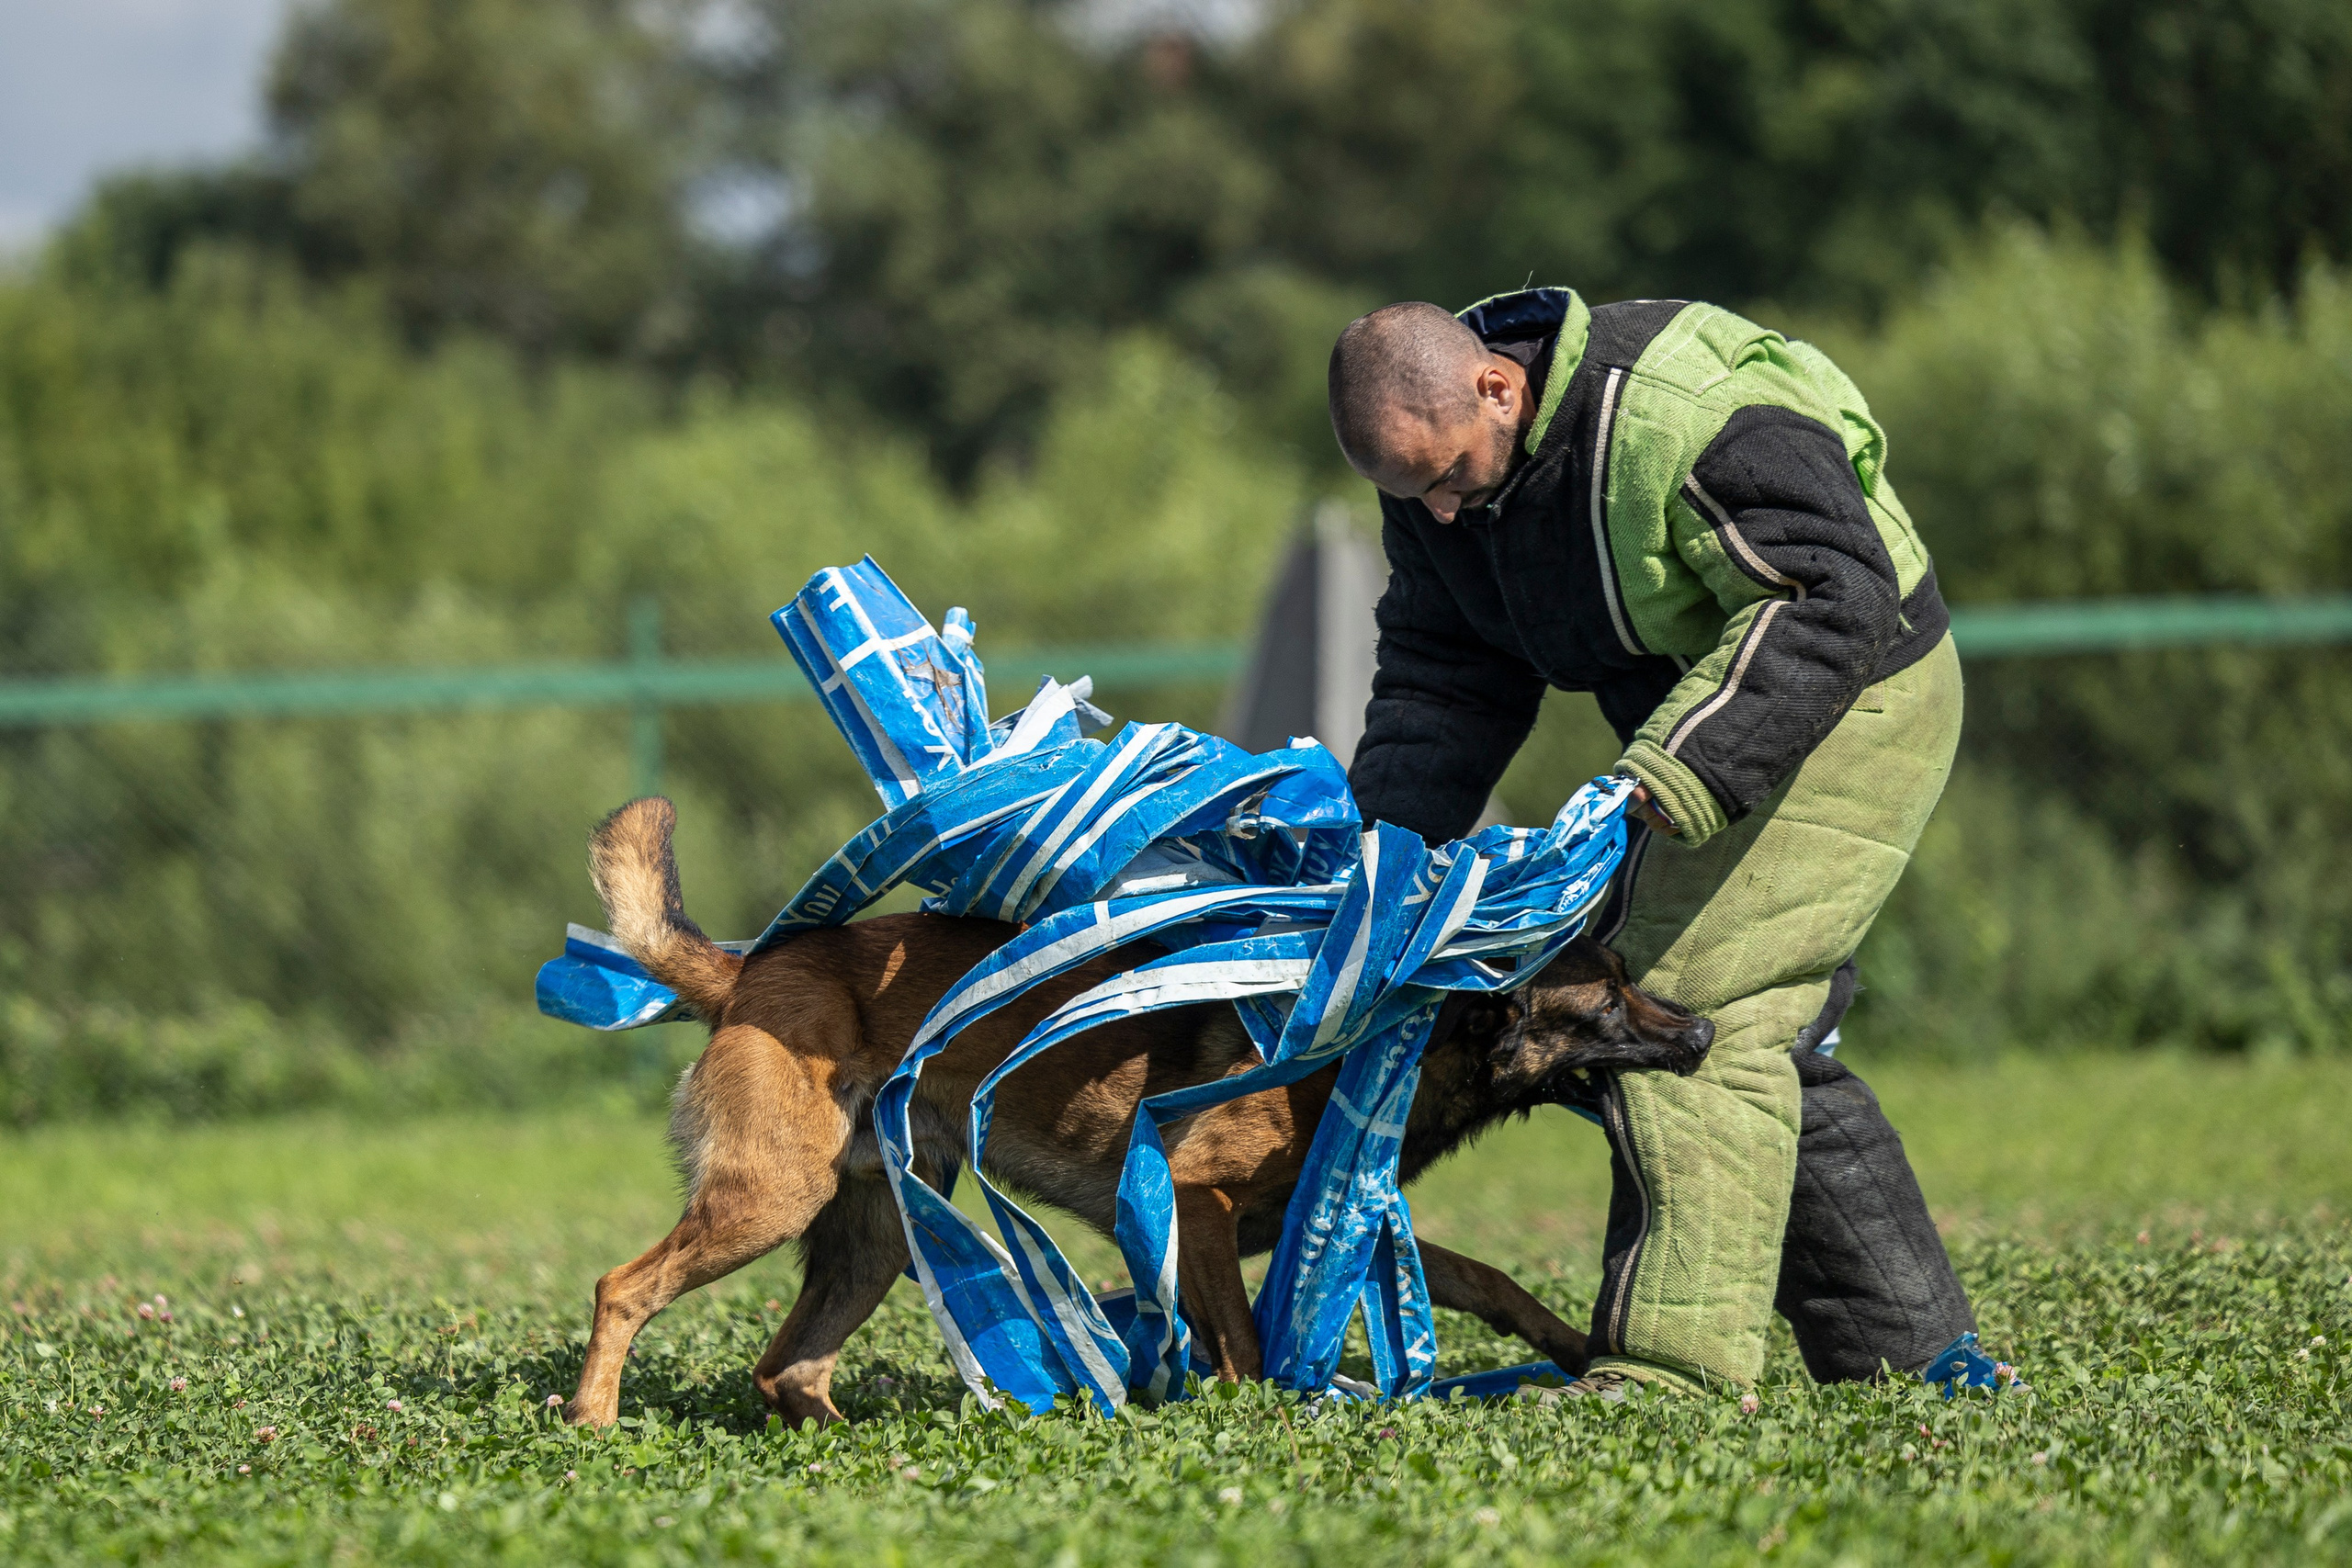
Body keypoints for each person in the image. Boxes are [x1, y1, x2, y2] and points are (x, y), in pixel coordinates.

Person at [1330, 289, 1975, 1396]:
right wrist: (1374, 859)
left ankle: (1668, 1378)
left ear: (1497, 386)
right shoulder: (1442, 487)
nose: (1434, 512)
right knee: (1765, 1026)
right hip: (1706, 707)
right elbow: (1445, 679)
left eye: (1441, 476)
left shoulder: (1687, 410)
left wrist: (1678, 767)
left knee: (1679, 1004)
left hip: (1855, 687)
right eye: (1406, 494)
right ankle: (1911, 1361)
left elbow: (1834, 589)